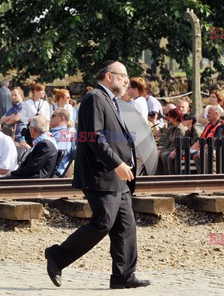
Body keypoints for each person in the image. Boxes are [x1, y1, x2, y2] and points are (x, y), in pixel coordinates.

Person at [45, 60, 150, 289]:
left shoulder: (111, 101)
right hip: (102, 174)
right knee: (103, 221)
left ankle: (123, 276)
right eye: (123, 76)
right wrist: (116, 163)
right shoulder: (94, 98)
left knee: (126, 225)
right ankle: (57, 256)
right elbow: (94, 136)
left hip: (118, 176)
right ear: (109, 76)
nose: (126, 80)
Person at [50, 109, 74, 177]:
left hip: (53, 174)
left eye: (53, 116)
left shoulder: (63, 135)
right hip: (51, 173)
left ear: (62, 118)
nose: (50, 118)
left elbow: (58, 157)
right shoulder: (59, 133)